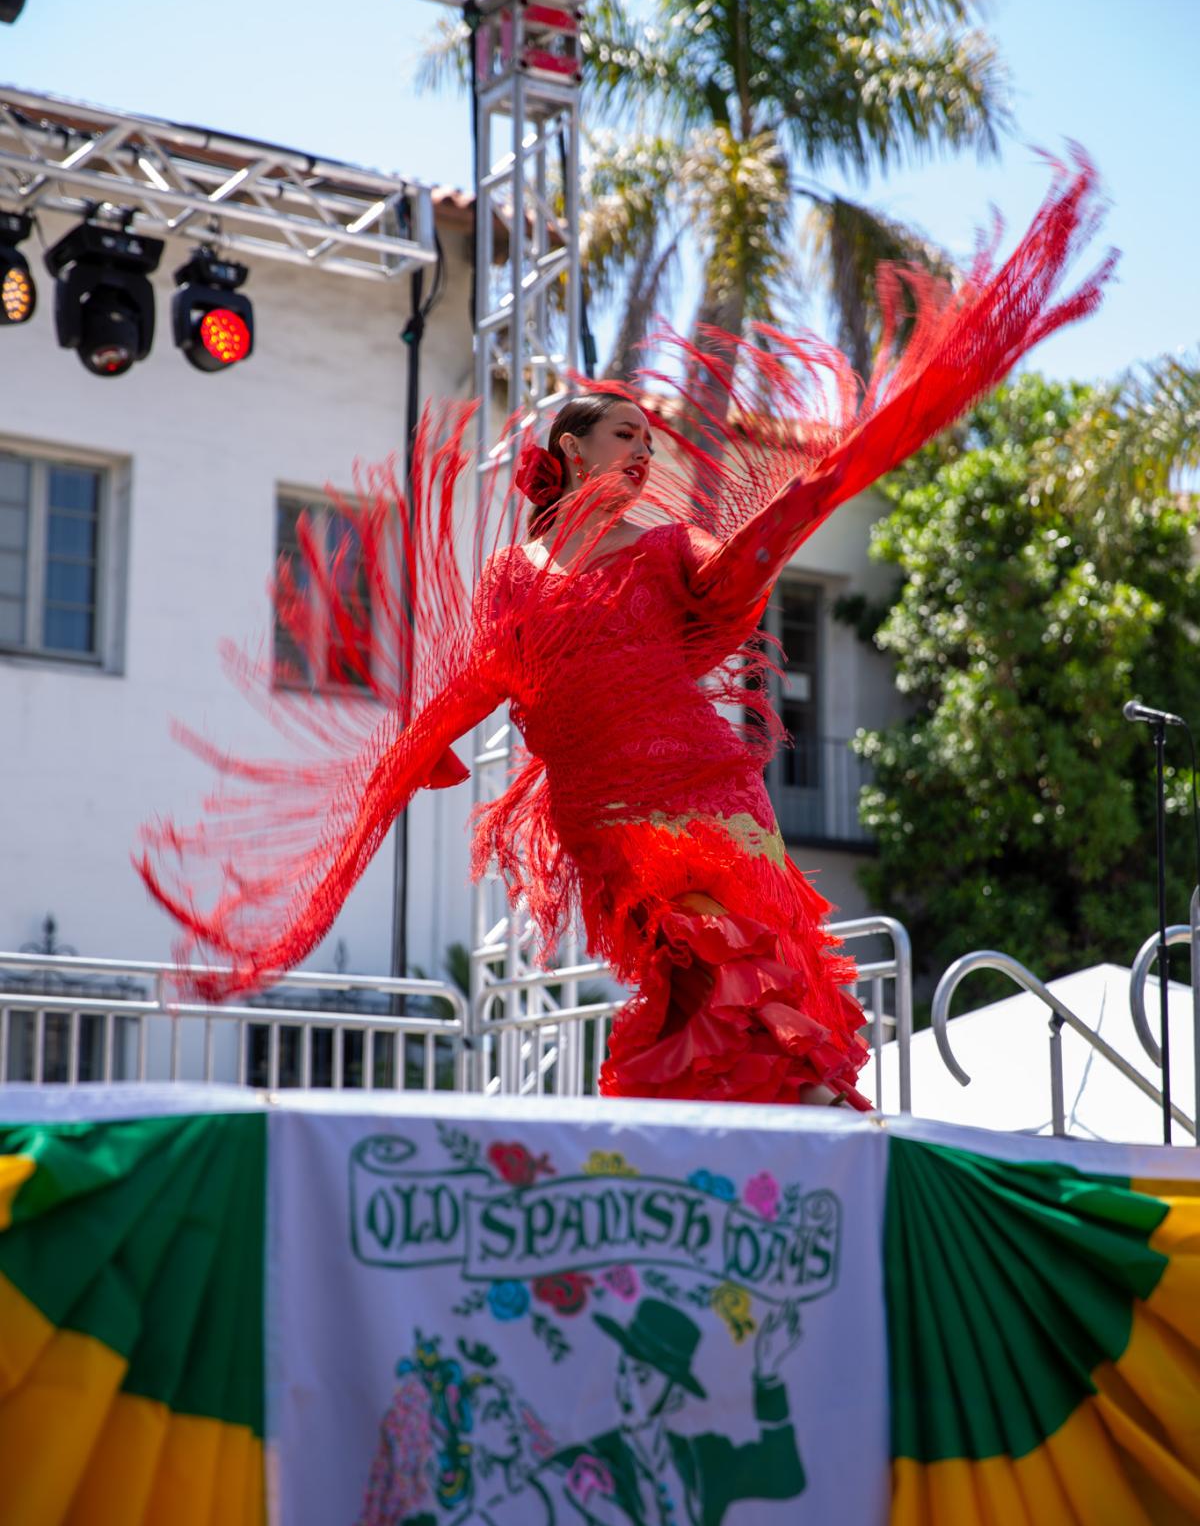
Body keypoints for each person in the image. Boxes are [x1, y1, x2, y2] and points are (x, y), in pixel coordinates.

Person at [138, 158, 1113, 1110]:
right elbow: (472, 689)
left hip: (705, 787)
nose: (645, 454)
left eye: (650, 441)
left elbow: (739, 569)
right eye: (624, 437)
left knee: (736, 970)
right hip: (604, 806)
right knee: (696, 968)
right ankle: (751, 1121)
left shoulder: (664, 553)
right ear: (568, 448)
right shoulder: (514, 579)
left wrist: (826, 482)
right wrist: (382, 793)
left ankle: (780, 1122)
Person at [553, 1295, 806, 1526]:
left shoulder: (701, 1455)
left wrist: (767, 1377)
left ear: (673, 1396)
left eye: (642, 1377)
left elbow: (785, 1478)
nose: (626, 1388)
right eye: (622, 1372)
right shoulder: (594, 1460)